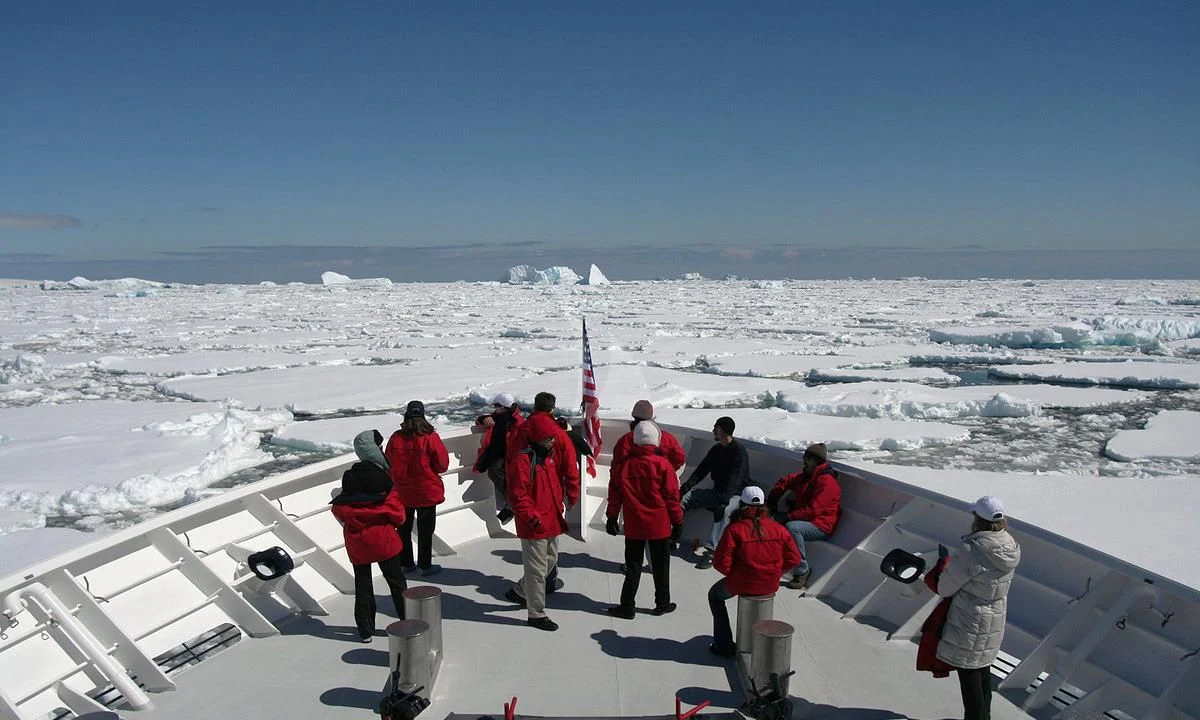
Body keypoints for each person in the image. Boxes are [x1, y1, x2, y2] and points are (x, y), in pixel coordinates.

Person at [926, 496, 1021, 720]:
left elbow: (945, 588)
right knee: (982, 670)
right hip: (995, 616)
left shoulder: (973, 549)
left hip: (970, 618)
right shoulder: (1010, 545)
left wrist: (942, 568)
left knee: (969, 674)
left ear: (977, 519)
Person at [330, 430, 408, 642]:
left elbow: (339, 511)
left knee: (363, 584)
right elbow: (398, 516)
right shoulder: (385, 485)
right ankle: (407, 621)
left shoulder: (348, 488)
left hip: (357, 544)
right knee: (396, 582)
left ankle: (365, 630)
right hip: (384, 541)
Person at [504, 413, 578, 631]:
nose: (554, 440)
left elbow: (554, 485)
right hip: (534, 523)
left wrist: (560, 506)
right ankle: (536, 613)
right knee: (536, 569)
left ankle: (520, 591)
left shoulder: (548, 455)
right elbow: (518, 495)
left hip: (551, 517)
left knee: (550, 559)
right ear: (537, 438)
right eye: (549, 438)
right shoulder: (523, 460)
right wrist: (532, 518)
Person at [707, 486, 800, 657]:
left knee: (715, 596)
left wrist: (734, 574)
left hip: (742, 581)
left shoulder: (735, 529)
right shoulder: (778, 528)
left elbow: (721, 562)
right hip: (770, 582)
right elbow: (794, 558)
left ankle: (724, 644)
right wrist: (775, 572)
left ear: (742, 504)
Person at [605, 421, 684, 618]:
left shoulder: (625, 466)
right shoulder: (664, 466)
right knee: (660, 566)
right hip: (659, 525)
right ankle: (662, 603)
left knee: (633, 565)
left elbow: (615, 493)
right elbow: (672, 498)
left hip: (634, 525)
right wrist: (678, 522)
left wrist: (612, 517)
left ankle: (627, 606)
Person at [384, 400, 450, 576]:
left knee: (404, 529)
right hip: (426, 491)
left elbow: (388, 461)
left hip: (403, 492)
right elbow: (442, 465)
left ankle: (406, 563)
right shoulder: (430, 437)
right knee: (426, 530)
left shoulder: (396, 437)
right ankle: (424, 565)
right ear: (423, 415)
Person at [766, 442, 841, 589]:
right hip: (805, 519)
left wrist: (788, 516)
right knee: (768, 521)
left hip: (821, 525)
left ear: (814, 460)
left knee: (792, 528)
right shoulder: (807, 476)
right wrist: (772, 501)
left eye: (806, 458)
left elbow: (813, 511)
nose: (804, 461)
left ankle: (802, 571)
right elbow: (785, 481)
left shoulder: (826, 482)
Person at [679, 416, 750, 567]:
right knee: (682, 500)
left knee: (724, 512)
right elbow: (701, 470)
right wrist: (685, 487)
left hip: (735, 495)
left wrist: (723, 502)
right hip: (717, 492)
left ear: (724, 432)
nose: (713, 431)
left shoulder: (739, 453)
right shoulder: (717, 450)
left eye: (716, 428)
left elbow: (735, 480)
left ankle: (712, 553)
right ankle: (673, 535)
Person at [472, 392, 524, 524]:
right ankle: (513, 502)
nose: (495, 408)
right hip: (496, 453)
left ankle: (514, 503)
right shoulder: (495, 417)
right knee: (494, 470)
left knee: (495, 471)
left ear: (503, 407)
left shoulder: (516, 421)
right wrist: (484, 419)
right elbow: (478, 421)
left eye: (497, 405)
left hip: (511, 456)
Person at [609, 400, 686, 478]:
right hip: (661, 483)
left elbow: (617, 465)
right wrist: (666, 471)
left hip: (632, 484)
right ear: (652, 417)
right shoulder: (668, 438)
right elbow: (679, 458)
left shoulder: (625, 440)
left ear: (634, 416)